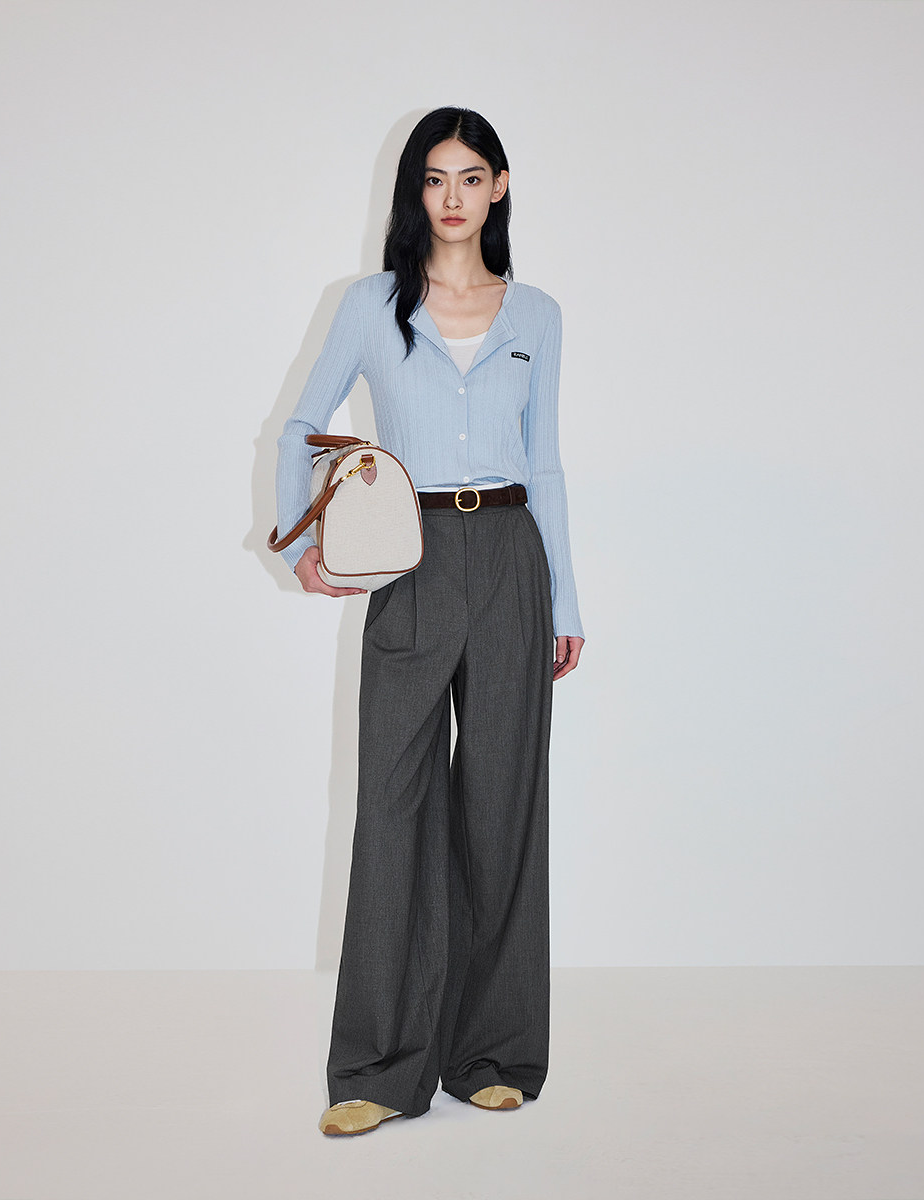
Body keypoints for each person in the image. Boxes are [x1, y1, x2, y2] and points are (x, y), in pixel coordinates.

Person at [272, 107, 584, 1136]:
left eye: (471, 177)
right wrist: (299, 538)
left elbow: (546, 463)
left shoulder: (536, 314)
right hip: (408, 558)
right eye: (435, 178)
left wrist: (565, 600)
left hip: (509, 556)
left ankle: (490, 1052)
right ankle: (376, 1068)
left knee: (501, 806)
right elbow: (302, 423)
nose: (453, 196)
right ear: (417, 191)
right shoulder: (371, 305)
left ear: (499, 188)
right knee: (395, 807)